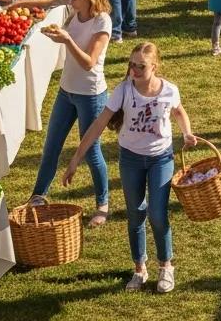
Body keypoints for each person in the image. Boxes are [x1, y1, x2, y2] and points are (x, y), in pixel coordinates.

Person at [63, 42, 197, 294]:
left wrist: (187, 133)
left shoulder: (169, 90)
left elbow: (179, 112)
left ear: (154, 67)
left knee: (158, 214)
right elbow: (98, 124)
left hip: (161, 158)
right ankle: (139, 269)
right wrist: (75, 158)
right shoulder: (123, 90)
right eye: (132, 64)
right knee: (135, 214)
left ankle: (165, 266)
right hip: (131, 159)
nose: (134, 70)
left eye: (141, 66)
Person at [30, 0, 112, 228]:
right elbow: (49, 2)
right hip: (67, 91)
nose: (71, 0)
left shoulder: (102, 22)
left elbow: (88, 63)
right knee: (51, 146)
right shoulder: (75, 11)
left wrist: (66, 40)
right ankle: (38, 195)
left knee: (91, 152)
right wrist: (19, 6)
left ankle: (102, 204)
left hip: (90, 94)